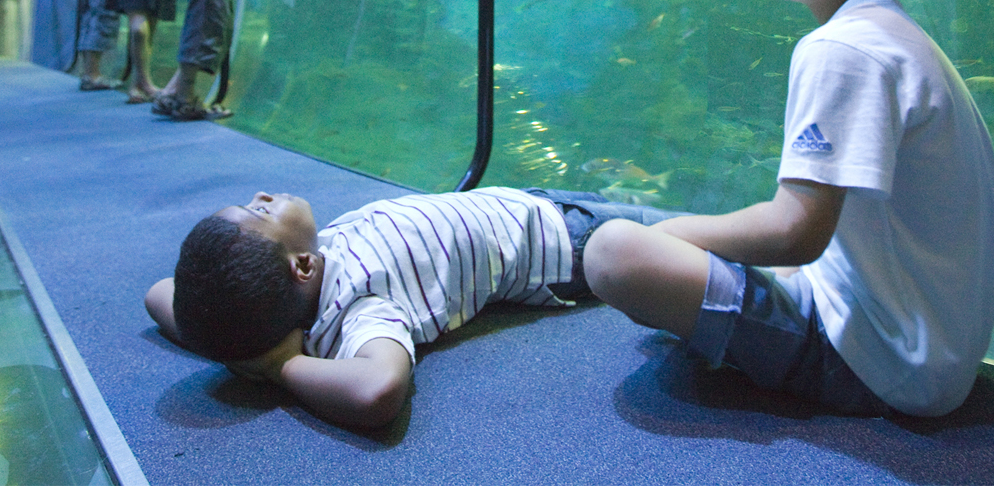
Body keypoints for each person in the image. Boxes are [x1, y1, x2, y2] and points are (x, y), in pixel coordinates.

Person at [582, 0, 994, 419]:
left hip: (883, 363)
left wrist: (671, 234)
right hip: (931, 353)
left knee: (614, 251)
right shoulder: (891, 35)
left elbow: (794, 233)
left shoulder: (844, 48)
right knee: (674, 248)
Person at [144, 187, 679, 429]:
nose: (263, 195)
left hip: (526, 203)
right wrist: (279, 366)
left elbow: (161, 294)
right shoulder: (359, 309)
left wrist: (240, 348)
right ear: (301, 266)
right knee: (688, 232)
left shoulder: (276, 294)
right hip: (568, 244)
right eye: (259, 211)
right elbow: (376, 390)